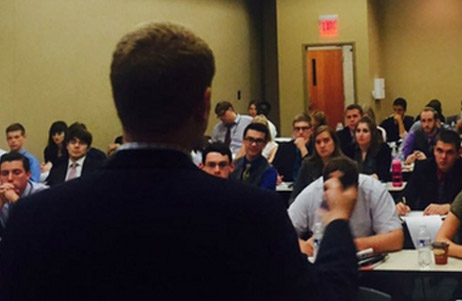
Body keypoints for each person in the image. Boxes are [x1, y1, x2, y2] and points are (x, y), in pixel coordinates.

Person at [0, 22, 358, 300]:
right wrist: (339, 221)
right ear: (204, 107)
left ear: (118, 100)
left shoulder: (36, 218)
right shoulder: (252, 215)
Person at [289, 157, 403, 255]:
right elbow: (281, 234)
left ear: (357, 188)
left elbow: (395, 238)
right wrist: (302, 246)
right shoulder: (311, 193)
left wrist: (347, 246)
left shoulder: (373, 189)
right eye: (331, 189)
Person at [399, 130, 462, 216]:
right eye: (439, 151)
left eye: (449, 152)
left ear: (459, 153)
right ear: (434, 150)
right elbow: (407, 194)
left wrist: (450, 207)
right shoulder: (423, 167)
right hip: (425, 221)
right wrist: (401, 204)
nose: (443, 157)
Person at [291, 125, 347, 201]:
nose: (322, 145)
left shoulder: (346, 165)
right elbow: (295, 196)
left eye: (326, 140)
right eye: (318, 142)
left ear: (334, 142)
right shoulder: (307, 164)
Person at [0, 153, 49, 236]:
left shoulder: (43, 193)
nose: (10, 178)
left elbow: (40, 228)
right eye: (5, 174)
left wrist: (16, 200)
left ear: (28, 175)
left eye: (16, 172)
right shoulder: (1, 193)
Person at [230, 123, 278, 190]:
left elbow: (263, 197)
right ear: (244, 140)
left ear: (265, 144)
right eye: (250, 139)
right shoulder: (233, 166)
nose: (253, 144)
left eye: (259, 141)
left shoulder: (269, 172)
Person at [272, 113, 313, 181]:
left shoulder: (316, 147)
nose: (301, 132)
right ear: (293, 131)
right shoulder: (284, 148)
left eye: (304, 128)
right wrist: (276, 175)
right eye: (297, 129)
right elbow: (274, 168)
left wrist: (303, 149)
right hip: (286, 187)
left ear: (311, 131)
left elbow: (311, 172)